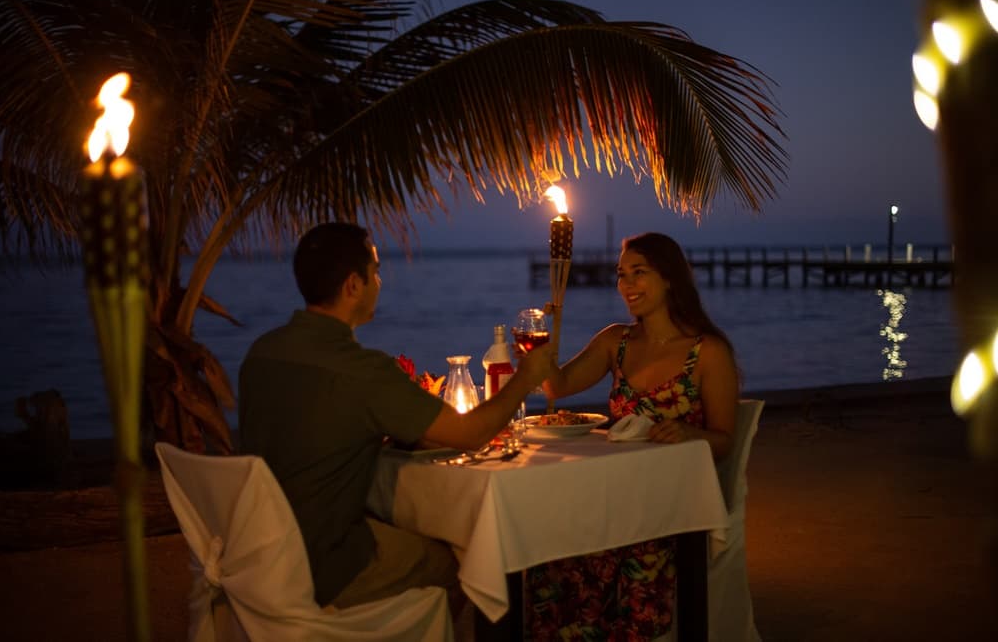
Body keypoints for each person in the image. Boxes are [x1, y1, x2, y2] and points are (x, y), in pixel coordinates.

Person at [238, 222, 555, 614]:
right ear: (354, 285)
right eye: (376, 272)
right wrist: (525, 377)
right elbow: (471, 434)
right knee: (463, 562)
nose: (380, 281)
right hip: (323, 561)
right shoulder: (363, 371)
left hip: (255, 551)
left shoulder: (261, 352)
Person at [525, 231, 739, 640]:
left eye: (638, 273)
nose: (626, 285)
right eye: (622, 274)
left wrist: (689, 433)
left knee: (618, 565)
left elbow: (725, 441)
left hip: (666, 503)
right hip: (610, 493)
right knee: (548, 553)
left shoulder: (707, 352)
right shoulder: (615, 342)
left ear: (670, 277)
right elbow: (556, 387)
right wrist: (543, 339)